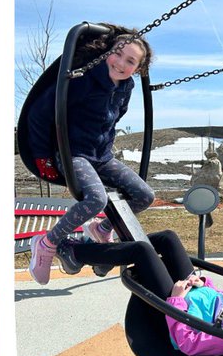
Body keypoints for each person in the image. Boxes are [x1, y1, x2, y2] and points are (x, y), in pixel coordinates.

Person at [26, 27, 156, 284]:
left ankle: (101, 228)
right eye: (117, 54)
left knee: (144, 195)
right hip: (73, 153)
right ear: (107, 52)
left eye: (130, 61)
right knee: (96, 199)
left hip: (102, 156)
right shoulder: (83, 79)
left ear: (138, 69)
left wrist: (105, 146)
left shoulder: (126, 87)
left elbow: (115, 118)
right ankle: (47, 243)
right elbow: (39, 114)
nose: (120, 63)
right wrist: (43, 156)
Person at [53, 228, 223, 356]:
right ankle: (105, 259)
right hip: (190, 293)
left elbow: (190, 344)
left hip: (174, 315)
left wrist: (176, 299)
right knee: (168, 238)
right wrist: (204, 284)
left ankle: (73, 254)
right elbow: (222, 300)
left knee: (142, 252)